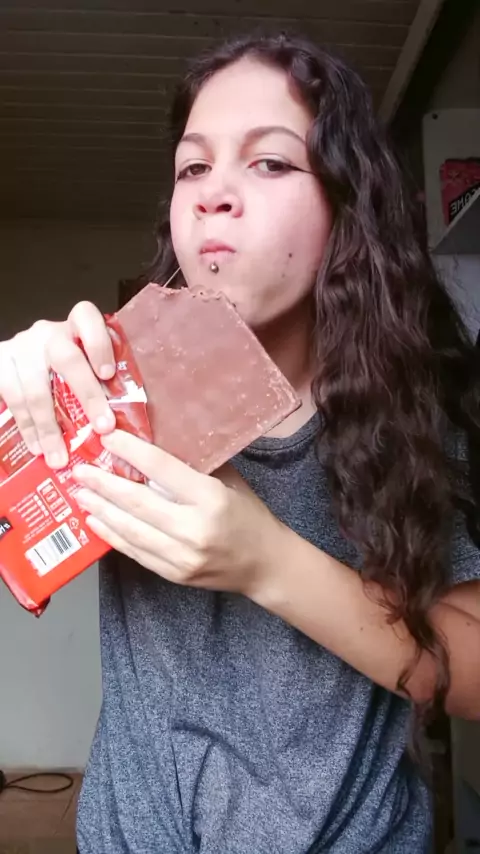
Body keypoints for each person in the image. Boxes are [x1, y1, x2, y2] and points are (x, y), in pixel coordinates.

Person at [1, 32, 480, 854]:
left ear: (347, 204)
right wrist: (16, 404)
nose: (213, 194)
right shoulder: (108, 384)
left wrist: (266, 561)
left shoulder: (419, 408)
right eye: (193, 167)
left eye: (270, 162)